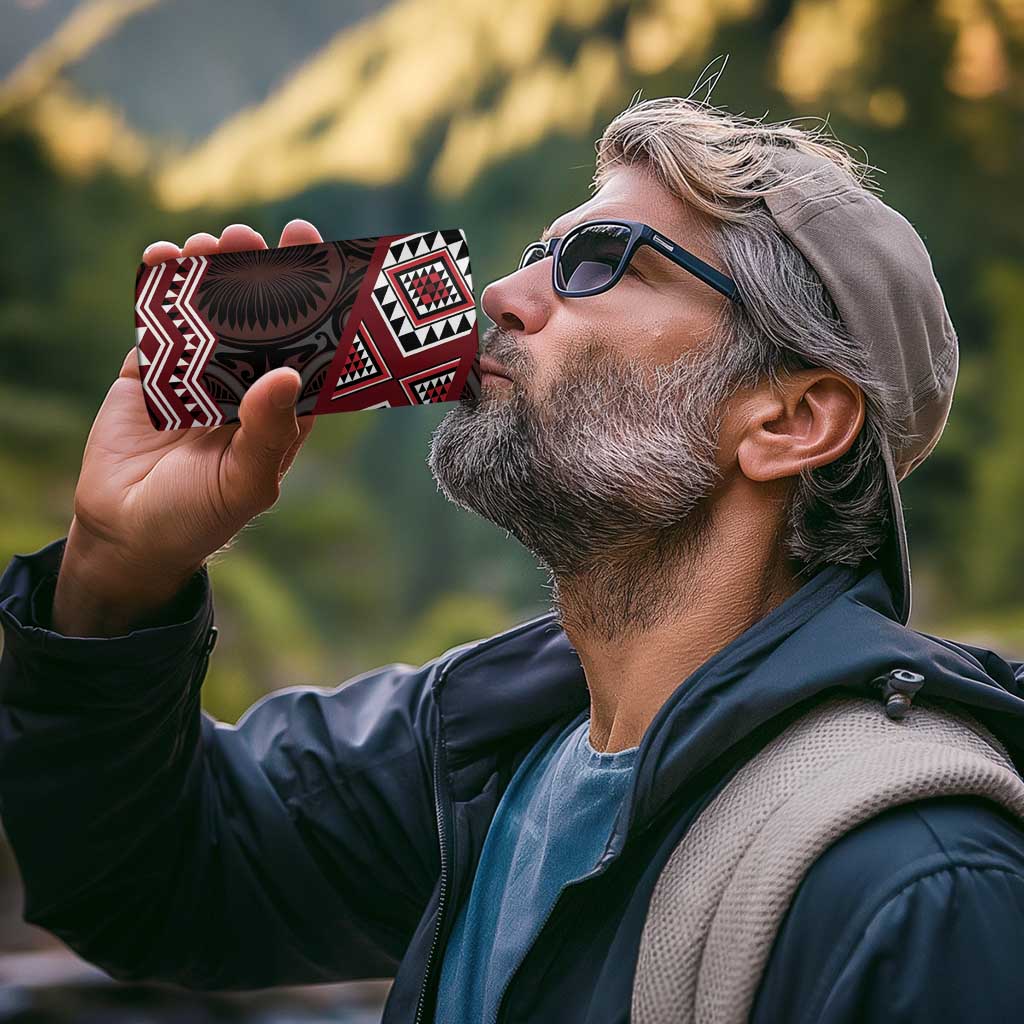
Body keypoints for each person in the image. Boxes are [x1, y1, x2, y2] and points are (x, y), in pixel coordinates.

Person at [2, 94, 1024, 1024]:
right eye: (541, 252)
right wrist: (116, 573)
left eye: (601, 261)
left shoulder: (918, 887)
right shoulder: (482, 747)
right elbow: (149, 879)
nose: (501, 292)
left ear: (790, 421)